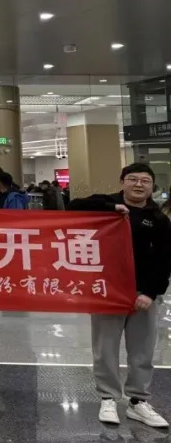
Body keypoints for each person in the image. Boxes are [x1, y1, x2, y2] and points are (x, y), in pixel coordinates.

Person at [69, 162, 171, 428]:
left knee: (142, 349)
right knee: (105, 348)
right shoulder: (105, 204)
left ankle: (138, 401)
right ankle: (108, 398)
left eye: (145, 181)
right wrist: (111, 208)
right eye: (133, 179)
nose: (139, 185)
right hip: (108, 291)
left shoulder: (158, 218)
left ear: (152, 186)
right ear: (122, 181)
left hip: (142, 294)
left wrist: (151, 293)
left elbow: (164, 260)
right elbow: (73, 207)